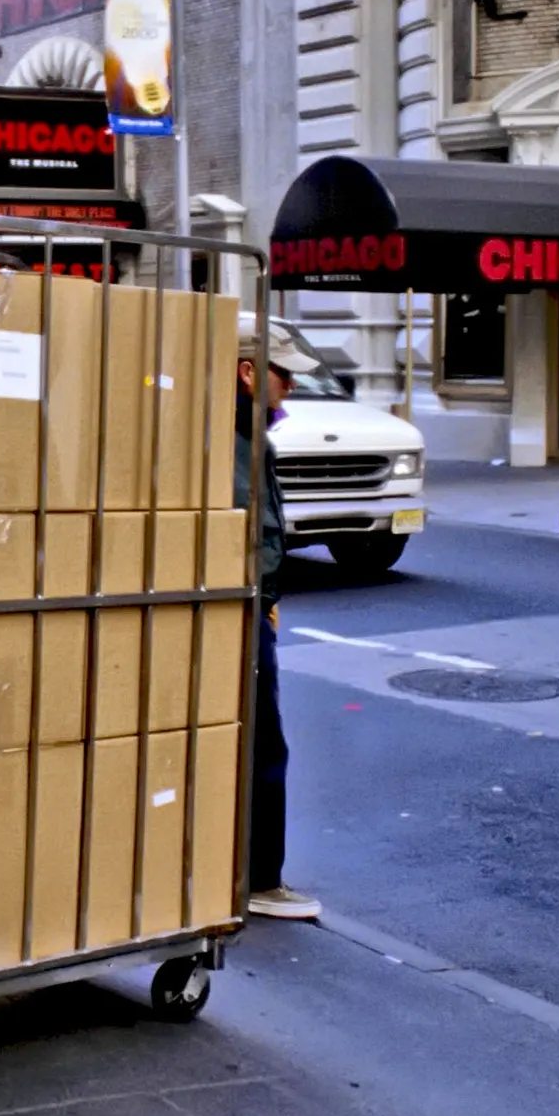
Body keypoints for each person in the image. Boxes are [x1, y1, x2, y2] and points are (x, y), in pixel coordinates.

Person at [234, 320, 319, 922]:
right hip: (237, 607)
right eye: (281, 372)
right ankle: (260, 878)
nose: (288, 386)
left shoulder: (251, 433)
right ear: (246, 371)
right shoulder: (237, 436)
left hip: (248, 602)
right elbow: (243, 526)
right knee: (264, 742)